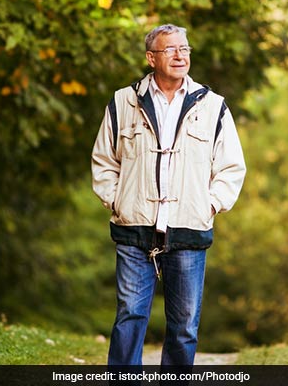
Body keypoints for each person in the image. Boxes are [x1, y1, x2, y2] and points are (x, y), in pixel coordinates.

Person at [91, 24, 246, 366]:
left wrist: (209, 205)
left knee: (184, 325)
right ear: (151, 58)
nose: (180, 55)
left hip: (189, 227)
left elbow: (232, 167)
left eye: (185, 49)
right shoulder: (123, 102)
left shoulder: (213, 106)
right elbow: (104, 160)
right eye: (170, 49)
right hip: (134, 228)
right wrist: (117, 201)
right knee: (129, 315)